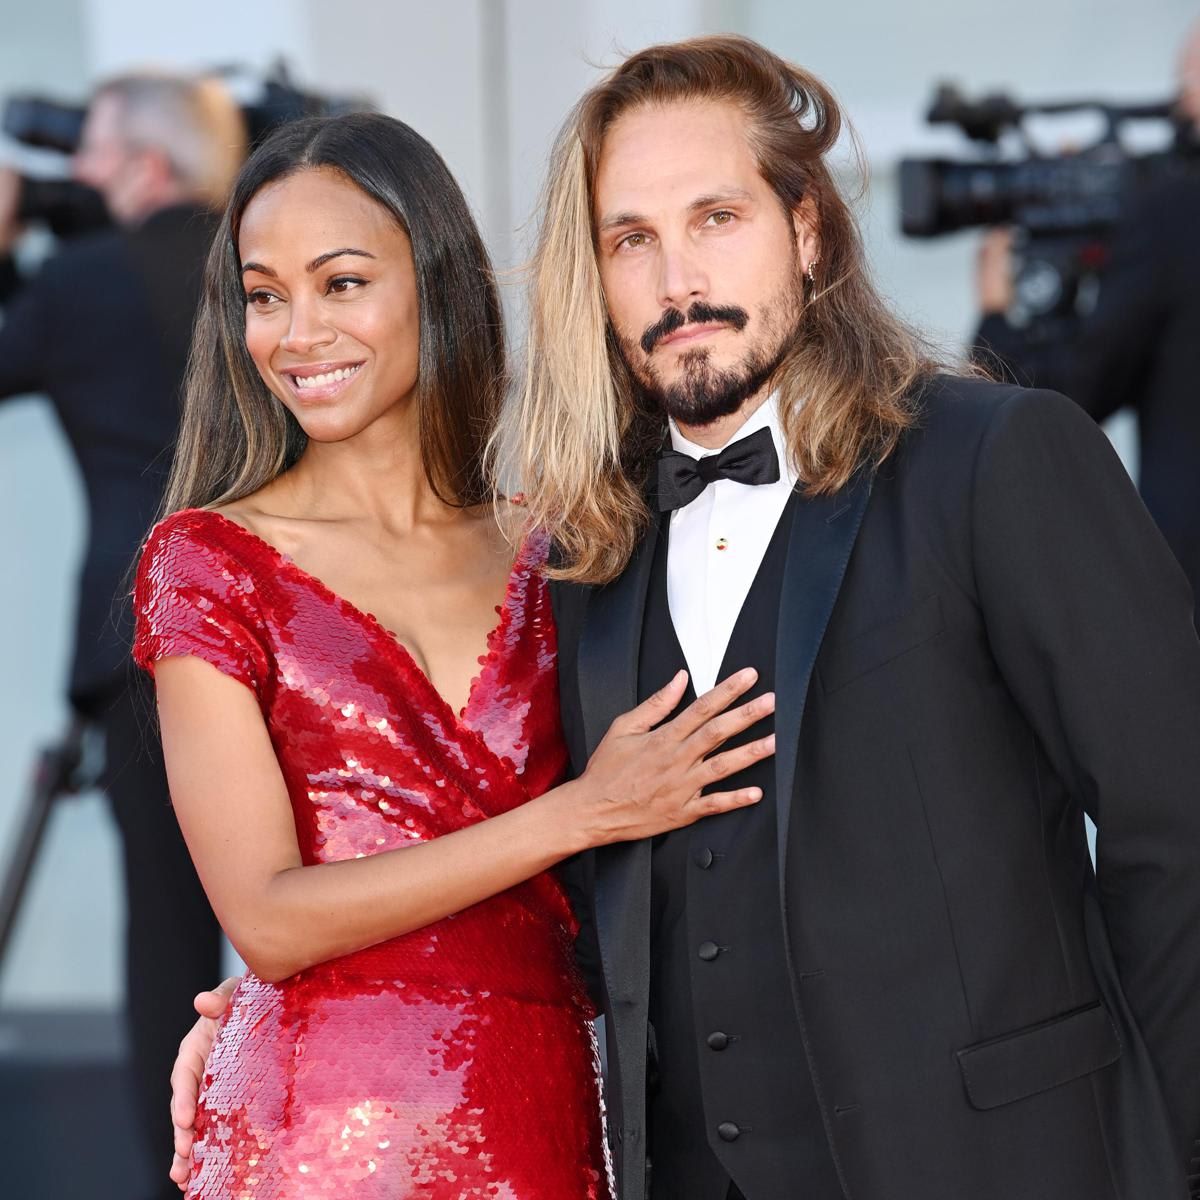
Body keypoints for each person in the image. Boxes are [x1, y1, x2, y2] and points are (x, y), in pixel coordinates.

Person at [171, 36, 1200, 1200]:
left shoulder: (997, 459)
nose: (676, 282)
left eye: (716, 219)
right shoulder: (579, 556)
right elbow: (520, 854)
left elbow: (1180, 830)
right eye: (631, 240)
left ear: (806, 230)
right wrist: (268, 1015)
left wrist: (1165, 1144)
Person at [134, 110, 776, 1199]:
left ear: (435, 281)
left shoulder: (568, 548)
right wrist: (580, 811)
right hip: (315, 1127)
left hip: (550, 1103)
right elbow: (270, 920)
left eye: (342, 284)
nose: (296, 332)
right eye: (263, 294)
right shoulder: (207, 561)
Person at [0, 71, 245, 1197]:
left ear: (146, 168)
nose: (78, 179)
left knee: (167, 941)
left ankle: (181, 1181)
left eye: (92, 156)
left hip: (138, 638)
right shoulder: (267, 271)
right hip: (289, 629)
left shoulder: (83, 282)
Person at [973, 20, 1200, 618]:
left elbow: (1069, 396)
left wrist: (999, 314)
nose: (1180, 102)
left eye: (1190, 80)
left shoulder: (1173, 214)